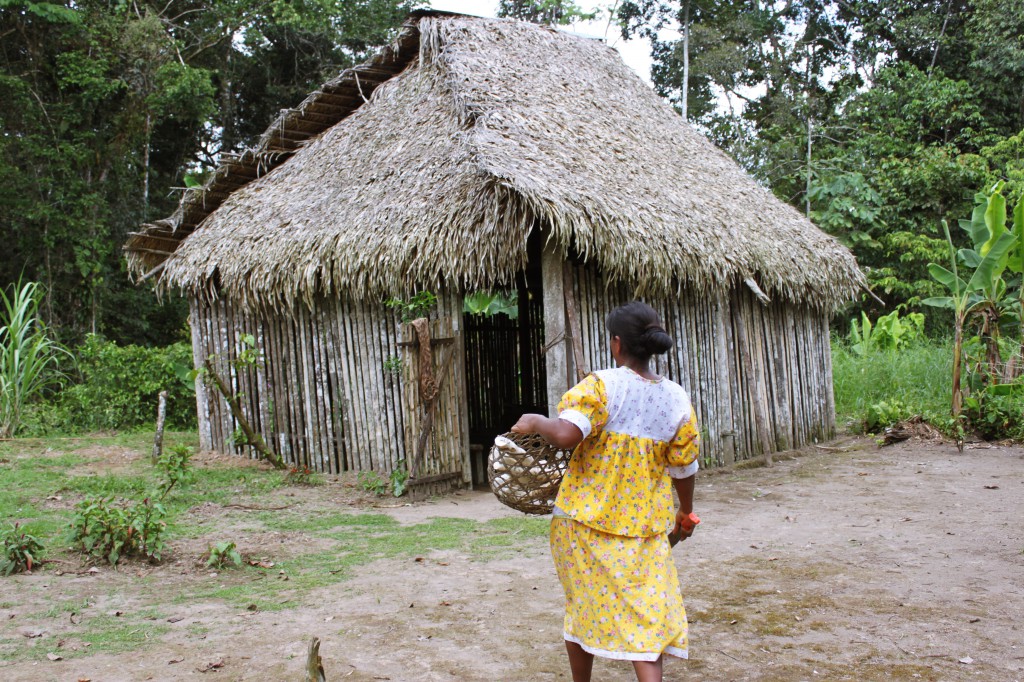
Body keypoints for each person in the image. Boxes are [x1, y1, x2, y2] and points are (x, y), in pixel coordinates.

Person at [511, 301, 700, 682]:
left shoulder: (602, 386)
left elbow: (565, 435)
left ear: (617, 344)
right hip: (644, 530)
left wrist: (536, 421)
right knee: (648, 619)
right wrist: (686, 511)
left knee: (582, 607)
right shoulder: (676, 399)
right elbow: (684, 466)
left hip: (584, 525)